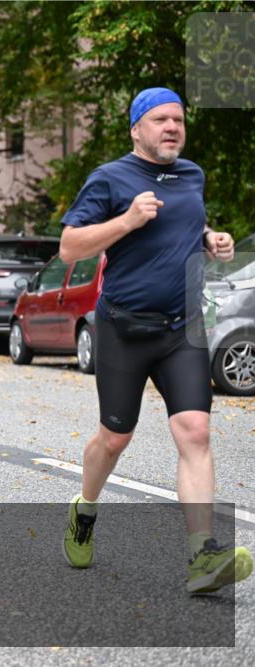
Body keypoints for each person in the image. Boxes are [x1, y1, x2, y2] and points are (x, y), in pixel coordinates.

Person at [58, 88, 251, 593]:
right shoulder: (110, 178)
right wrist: (126, 220)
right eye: (161, 119)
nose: (172, 127)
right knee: (115, 438)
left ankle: (202, 557)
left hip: (181, 328)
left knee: (194, 432)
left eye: (179, 120)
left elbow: (186, 219)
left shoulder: (192, 176)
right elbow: (69, 247)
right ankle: (86, 508)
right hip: (123, 328)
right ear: (136, 129)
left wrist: (211, 237)